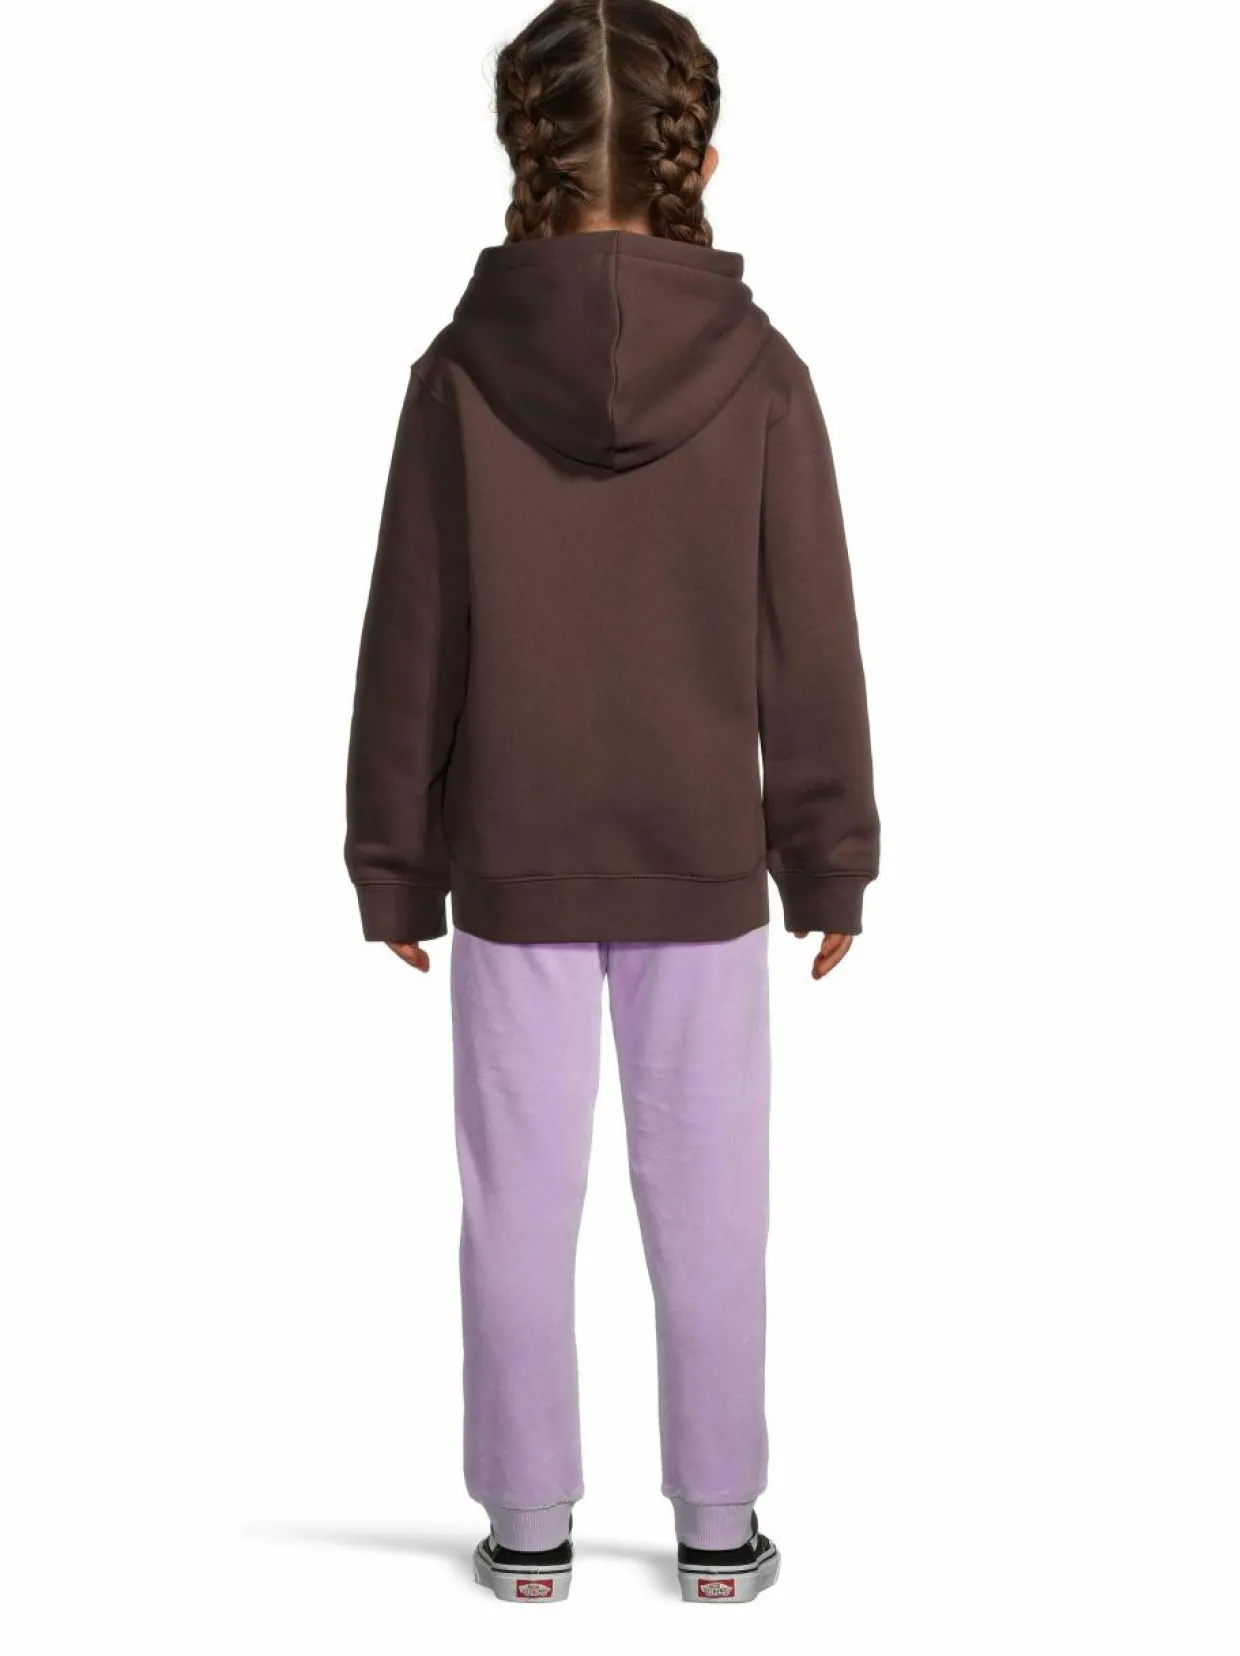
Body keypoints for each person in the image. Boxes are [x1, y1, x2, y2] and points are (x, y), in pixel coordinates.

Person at [344, 0, 879, 1605]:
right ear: (699, 162)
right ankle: (717, 1531)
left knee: (514, 1207)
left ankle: (527, 1532)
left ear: (520, 155)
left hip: (512, 864)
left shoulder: (456, 375)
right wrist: (829, 861)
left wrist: (394, 860)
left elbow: (413, 630)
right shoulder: (764, 375)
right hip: (700, 871)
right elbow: (807, 634)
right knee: (712, 1206)